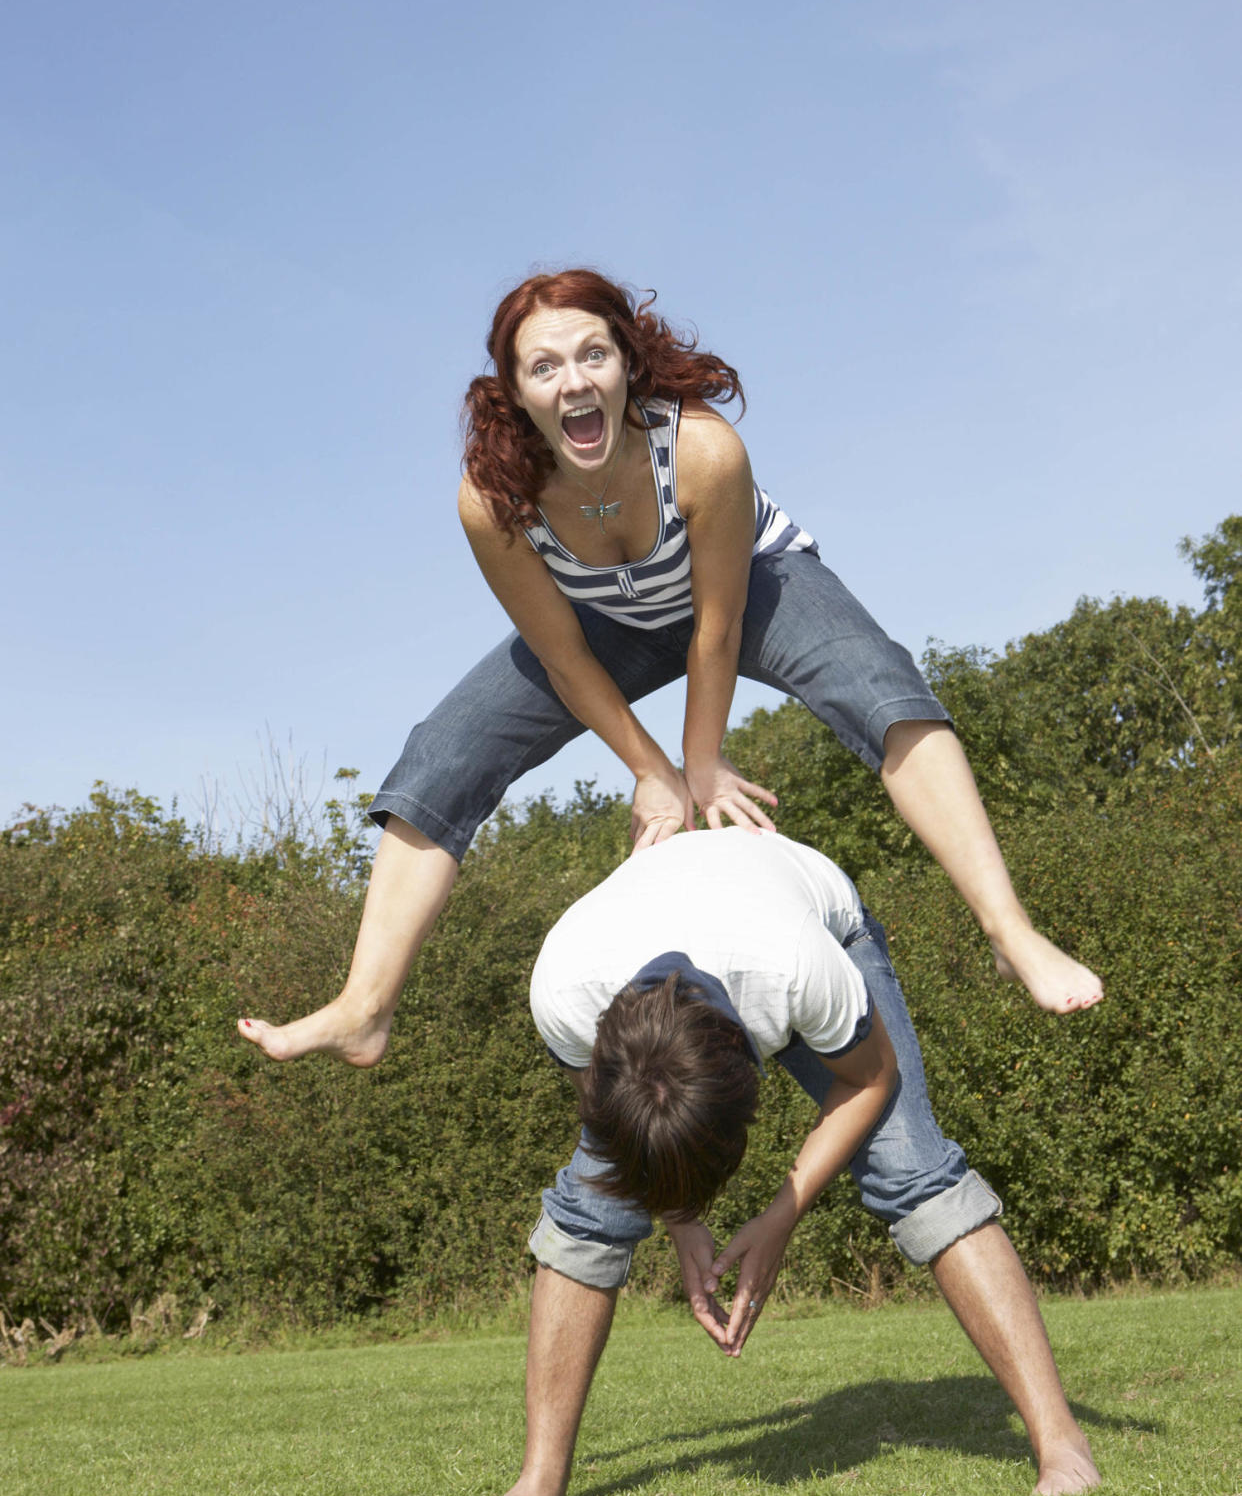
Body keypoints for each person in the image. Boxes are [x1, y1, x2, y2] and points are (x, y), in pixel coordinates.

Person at [238, 269, 1102, 1065]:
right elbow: (562, 654)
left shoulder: (701, 451)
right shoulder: (493, 497)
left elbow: (716, 627)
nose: (573, 381)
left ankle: (1009, 929)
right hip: (602, 622)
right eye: (544, 367)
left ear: (625, 362)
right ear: (514, 392)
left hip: (747, 586)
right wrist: (649, 773)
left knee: (881, 685)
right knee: (444, 750)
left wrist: (700, 760)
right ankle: (365, 1004)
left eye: (593, 355)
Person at [477, 828, 1100, 1496]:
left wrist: (780, 1216)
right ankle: (538, 1482)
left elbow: (869, 1076)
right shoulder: (563, 991)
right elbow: (628, 1132)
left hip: (821, 921)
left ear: (751, 1074)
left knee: (911, 1163)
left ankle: (1061, 1443)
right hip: (641, 965)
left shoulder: (798, 968)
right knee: (593, 1199)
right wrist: (680, 1218)